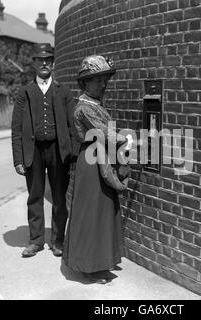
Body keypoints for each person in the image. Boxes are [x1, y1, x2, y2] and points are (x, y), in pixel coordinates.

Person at [63, 55, 128, 284]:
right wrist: (131, 140)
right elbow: (106, 135)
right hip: (91, 164)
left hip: (100, 158)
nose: (103, 84)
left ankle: (101, 261)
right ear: (85, 83)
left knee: (103, 211)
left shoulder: (95, 105)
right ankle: (89, 265)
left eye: (104, 79)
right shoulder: (84, 109)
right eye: (97, 80)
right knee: (91, 212)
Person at [11, 43, 73, 258]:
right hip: (33, 150)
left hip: (57, 150)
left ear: (53, 63)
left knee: (58, 196)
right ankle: (36, 241)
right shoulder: (24, 92)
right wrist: (18, 158)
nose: (44, 63)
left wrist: (72, 154)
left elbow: (72, 126)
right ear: (34, 63)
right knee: (35, 196)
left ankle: (58, 241)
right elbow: (16, 127)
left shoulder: (63, 91)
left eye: (48, 59)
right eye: (40, 60)